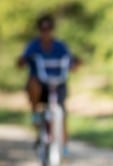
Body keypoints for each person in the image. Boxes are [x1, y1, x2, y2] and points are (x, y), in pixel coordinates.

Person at [16, 14, 79, 155]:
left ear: (52, 29)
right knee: (33, 82)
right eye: (43, 29)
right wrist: (23, 60)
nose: (46, 32)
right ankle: (35, 114)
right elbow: (22, 61)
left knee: (62, 112)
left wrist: (75, 63)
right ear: (39, 30)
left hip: (57, 84)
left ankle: (64, 145)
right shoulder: (33, 46)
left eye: (48, 28)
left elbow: (71, 61)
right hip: (40, 85)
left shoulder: (60, 46)